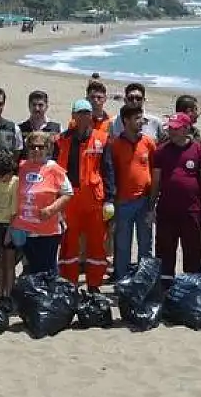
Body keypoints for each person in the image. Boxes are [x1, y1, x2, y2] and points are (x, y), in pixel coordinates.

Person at [55, 99, 116, 290]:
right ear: (73, 116)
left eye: (87, 113)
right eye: (79, 113)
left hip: (94, 201)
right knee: (69, 245)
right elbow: (53, 171)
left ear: (91, 116)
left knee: (97, 244)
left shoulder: (102, 139)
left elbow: (108, 170)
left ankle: (94, 286)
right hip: (69, 200)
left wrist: (110, 199)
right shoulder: (61, 140)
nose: (83, 117)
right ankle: (69, 285)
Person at [151, 112, 201, 282]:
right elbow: (155, 183)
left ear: (186, 129)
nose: (172, 131)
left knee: (193, 253)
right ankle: (164, 289)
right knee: (164, 253)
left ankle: (190, 290)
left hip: (192, 211)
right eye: (170, 128)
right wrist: (151, 208)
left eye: (176, 128)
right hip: (166, 211)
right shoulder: (161, 151)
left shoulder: (200, 151)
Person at [106, 103, 157, 280]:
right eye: (137, 118)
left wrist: (153, 200)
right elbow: (110, 172)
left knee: (146, 244)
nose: (141, 121)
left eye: (141, 117)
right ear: (125, 120)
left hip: (145, 201)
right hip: (123, 202)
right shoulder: (115, 144)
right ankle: (122, 279)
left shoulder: (148, 142)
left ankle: (144, 280)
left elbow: (154, 170)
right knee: (122, 245)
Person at [13, 133, 74, 276]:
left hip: (47, 231)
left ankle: (49, 296)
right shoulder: (21, 166)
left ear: (48, 148)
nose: (36, 150)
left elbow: (68, 193)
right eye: (32, 147)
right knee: (31, 270)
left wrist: (51, 209)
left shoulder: (53, 168)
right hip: (24, 230)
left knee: (47, 271)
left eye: (40, 147)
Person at [0, 152, 21, 304]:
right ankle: (0, 296)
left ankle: (10, 296)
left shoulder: (15, 182)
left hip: (10, 225)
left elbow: (15, 210)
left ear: (10, 172)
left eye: (3, 175)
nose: (1, 179)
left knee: (10, 264)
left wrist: (9, 232)